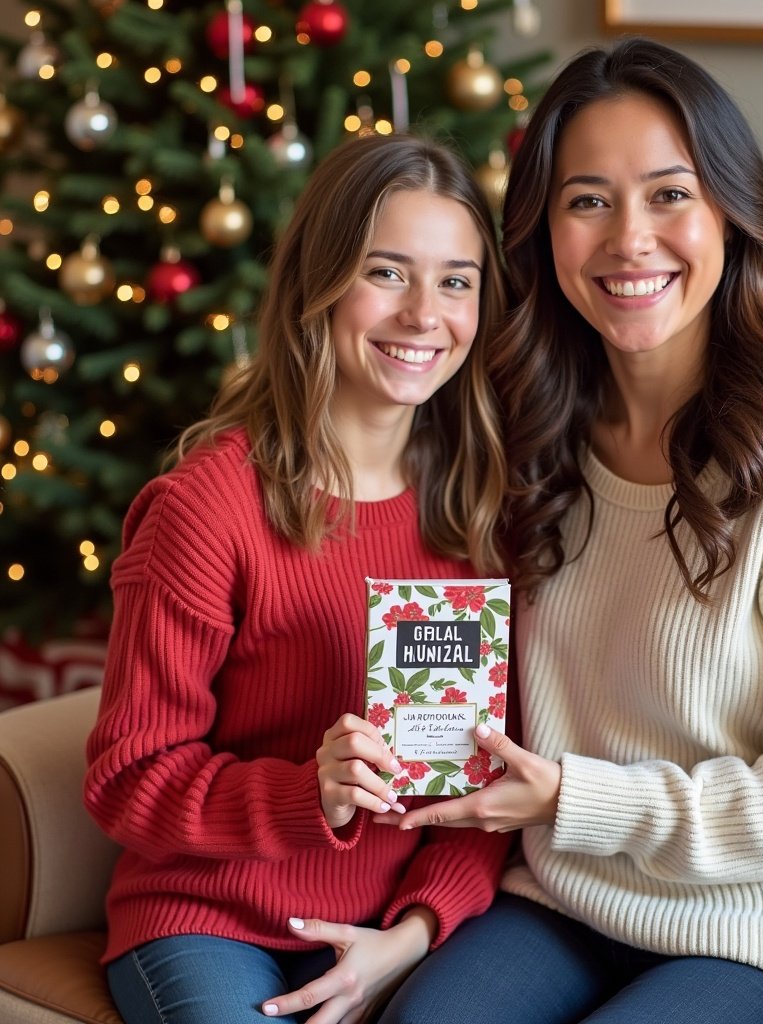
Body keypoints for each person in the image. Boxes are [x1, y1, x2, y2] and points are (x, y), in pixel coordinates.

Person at [373, 37, 763, 1024]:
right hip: (568, 897)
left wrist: (575, 802)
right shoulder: (526, 428)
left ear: (729, 213)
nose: (629, 239)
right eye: (587, 200)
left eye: (669, 194)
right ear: (542, 230)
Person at [83, 132, 512, 1024]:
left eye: (456, 280)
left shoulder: (481, 509)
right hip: (211, 921)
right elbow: (128, 777)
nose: (426, 314)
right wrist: (302, 792)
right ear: (319, 285)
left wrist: (417, 930)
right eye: (387, 273)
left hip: (398, 930)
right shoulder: (209, 507)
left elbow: (485, 798)